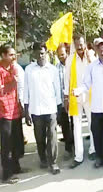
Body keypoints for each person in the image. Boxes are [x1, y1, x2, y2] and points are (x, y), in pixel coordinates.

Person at [72, 39, 103, 171]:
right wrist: (78, 90)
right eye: (100, 51)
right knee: (97, 134)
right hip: (96, 108)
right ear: (97, 52)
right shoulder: (91, 67)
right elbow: (86, 84)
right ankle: (100, 158)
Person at [24, 43, 61, 175]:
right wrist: (26, 111)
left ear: (46, 53)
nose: (40, 56)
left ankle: (53, 162)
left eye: (42, 53)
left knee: (52, 135)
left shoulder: (53, 70)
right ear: (34, 54)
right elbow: (26, 91)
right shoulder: (28, 70)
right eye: (38, 53)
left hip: (50, 108)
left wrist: (59, 109)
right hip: (35, 110)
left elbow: (57, 90)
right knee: (39, 137)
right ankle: (43, 158)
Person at [64, 35, 95, 169]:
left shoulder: (91, 57)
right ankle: (78, 156)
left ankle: (93, 149)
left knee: (91, 123)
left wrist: (90, 59)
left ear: (85, 44)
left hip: (89, 95)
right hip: (75, 97)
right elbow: (66, 79)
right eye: (77, 44)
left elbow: (96, 73)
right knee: (77, 126)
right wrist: (66, 97)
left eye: (82, 44)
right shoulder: (70, 59)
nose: (80, 47)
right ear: (74, 46)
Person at [0, 45, 25, 184]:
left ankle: (16, 168)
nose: (14, 57)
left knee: (16, 142)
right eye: (10, 55)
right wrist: (13, 82)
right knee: (6, 145)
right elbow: (1, 91)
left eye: (15, 54)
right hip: (4, 113)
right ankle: (6, 175)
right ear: (3, 55)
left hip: (15, 111)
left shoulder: (13, 68)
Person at [56, 44, 73, 159]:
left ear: (67, 53)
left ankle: (76, 146)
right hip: (61, 102)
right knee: (65, 126)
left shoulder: (72, 65)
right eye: (59, 55)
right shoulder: (55, 68)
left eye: (62, 54)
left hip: (73, 101)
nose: (61, 57)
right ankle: (68, 148)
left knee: (74, 124)